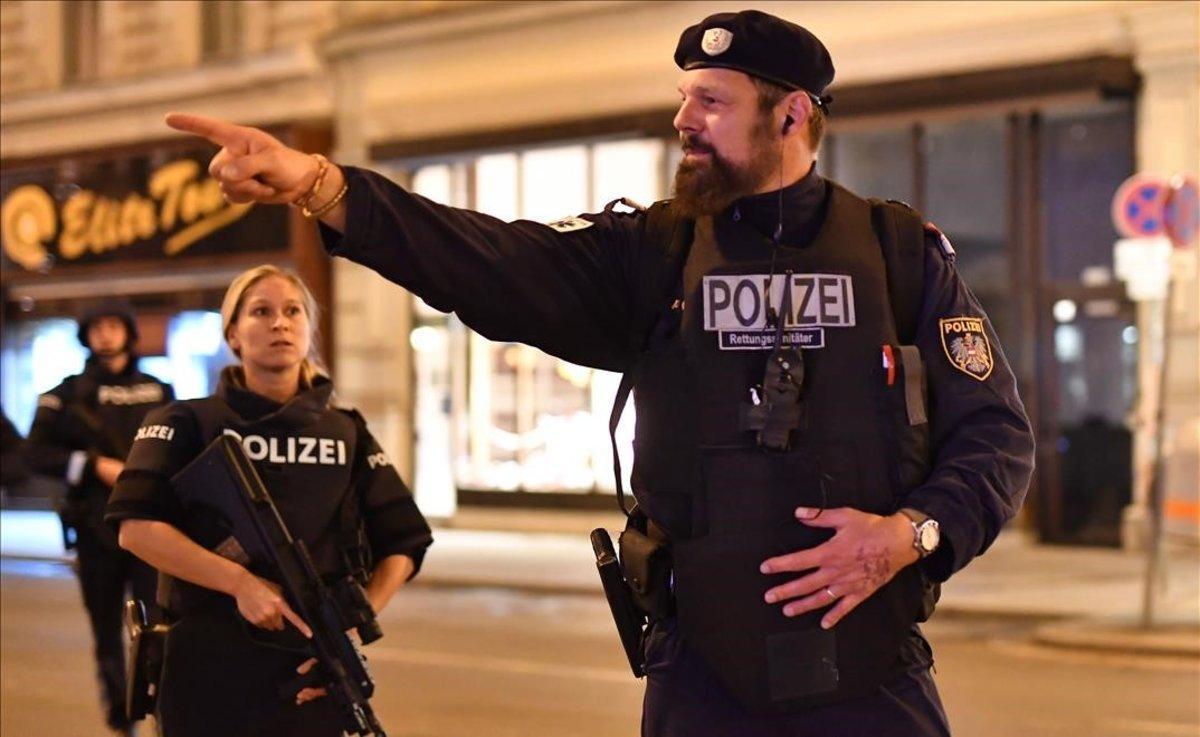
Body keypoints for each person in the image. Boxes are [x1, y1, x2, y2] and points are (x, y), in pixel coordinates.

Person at [166, 9, 1035, 735]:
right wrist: (322, 185)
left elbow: (995, 436)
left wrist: (911, 534)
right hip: (704, 679)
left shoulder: (896, 253)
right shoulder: (652, 253)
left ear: (792, 114)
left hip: (868, 673)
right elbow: (490, 260)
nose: (683, 119)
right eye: (683, 96)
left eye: (711, 101)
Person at [105, 265, 433, 737]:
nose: (280, 323)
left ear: (309, 329)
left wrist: (351, 627)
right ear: (233, 334)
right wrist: (239, 582)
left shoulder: (347, 429)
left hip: (307, 670)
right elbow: (135, 529)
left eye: (293, 311)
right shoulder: (184, 421)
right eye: (261, 311)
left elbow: (404, 541)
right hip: (206, 666)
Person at [24, 299, 173, 735]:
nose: (106, 334)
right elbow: (34, 454)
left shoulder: (158, 389)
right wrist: (92, 466)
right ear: (86, 335)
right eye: (97, 326)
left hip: (153, 527)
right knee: (108, 632)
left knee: (157, 627)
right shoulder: (64, 394)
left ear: (129, 332)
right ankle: (121, 720)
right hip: (95, 529)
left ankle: (161, 711)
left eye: (114, 325)